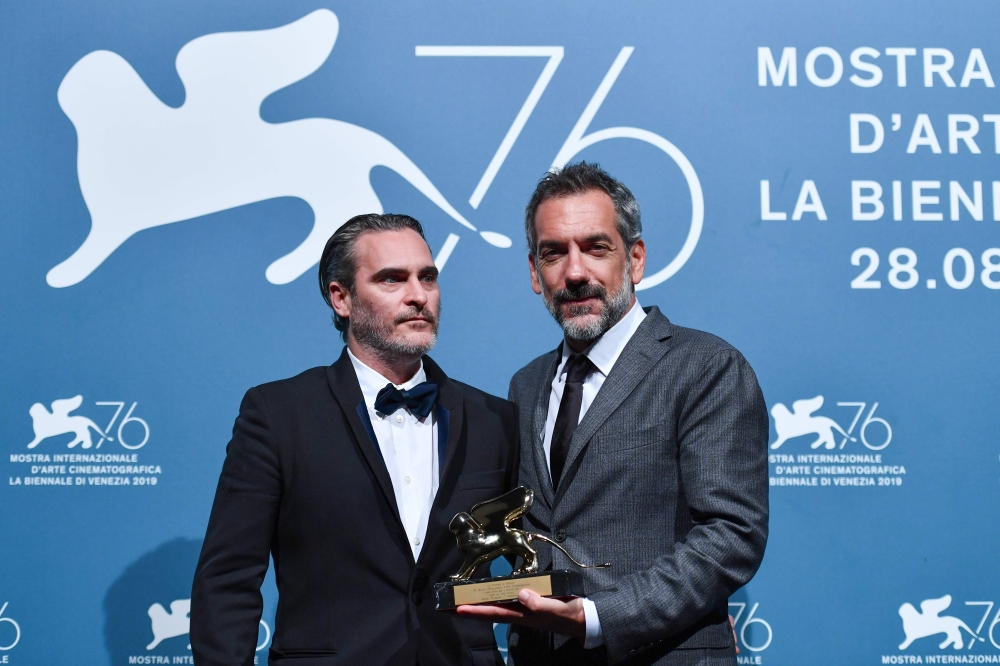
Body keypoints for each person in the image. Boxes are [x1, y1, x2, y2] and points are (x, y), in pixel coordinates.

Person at [458, 163, 769, 665]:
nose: (575, 272)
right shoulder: (526, 384)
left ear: (636, 260)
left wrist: (601, 616)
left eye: (595, 247)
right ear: (535, 273)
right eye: (553, 253)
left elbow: (732, 535)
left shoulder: (705, 367)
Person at [191, 213, 519, 666]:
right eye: (392, 279)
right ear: (341, 297)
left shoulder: (494, 420)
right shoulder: (279, 415)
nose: (418, 296)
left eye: (428, 277)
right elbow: (227, 581)